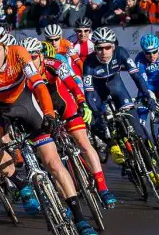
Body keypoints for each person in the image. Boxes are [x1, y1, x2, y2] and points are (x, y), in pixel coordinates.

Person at [0, 25, 98, 235]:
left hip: (25, 104)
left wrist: (48, 114)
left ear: (5, 48)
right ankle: (21, 184)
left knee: (53, 162)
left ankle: (79, 218)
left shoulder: (19, 54)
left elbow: (38, 86)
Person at [23, 38, 116, 207]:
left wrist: (81, 102)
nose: (32, 63)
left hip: (64, 104)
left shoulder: (54, 64)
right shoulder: (22, 74)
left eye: (35, 57)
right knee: (50, 161)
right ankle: (63, 201)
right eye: (28, 59)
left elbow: (72, 86)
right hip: (43, 113)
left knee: (83, 142)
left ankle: (103, 188)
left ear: (41, 57)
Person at [82, 27, 159, 186]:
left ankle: (151, 169)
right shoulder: (89, 63)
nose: (104, 52)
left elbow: (137, 77)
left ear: (113, 46)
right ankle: (112, 145)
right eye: (99, 48)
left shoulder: (121, 53)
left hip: (117, 87)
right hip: (99, 93)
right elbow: (89, 94)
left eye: (107, 47)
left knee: (138, 130)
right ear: (95, 48)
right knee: (95, 121)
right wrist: (97, 112)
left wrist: (146, 94)